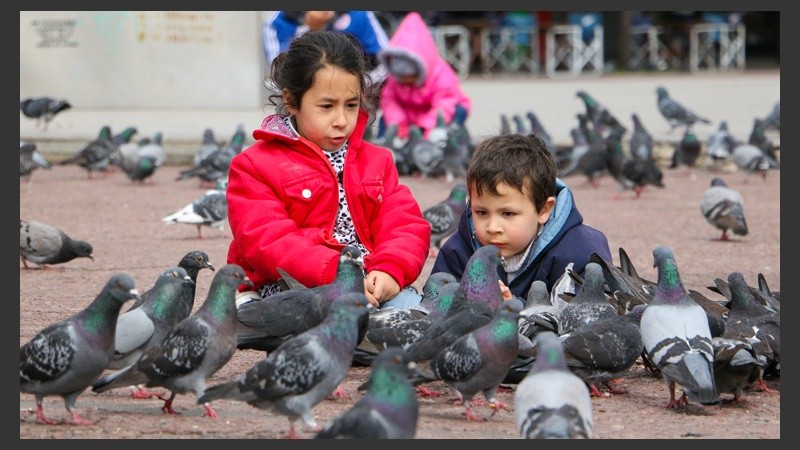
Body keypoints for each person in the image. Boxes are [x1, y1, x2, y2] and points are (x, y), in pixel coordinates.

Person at [226, 30, 430, 309]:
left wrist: (391, 270)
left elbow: (404, 225)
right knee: (333, 329)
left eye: (351, 105)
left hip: (369, 279)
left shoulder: (377, 161)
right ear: (291, 101)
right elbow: (269, 241)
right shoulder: (254, 166)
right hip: (292, 286)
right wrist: (340, 275)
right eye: (327, 106)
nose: (341, 120)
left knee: (416, 320)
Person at [431, 133, 612, 299]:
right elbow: (434, 305)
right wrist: (469, 305)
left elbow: (594, 316)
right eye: (481, 212)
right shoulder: (458, 250)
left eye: (508, 213)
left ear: (543, 210)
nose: (492, 227)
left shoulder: (580, 250)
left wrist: (515, 311)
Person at [377, 11, 472, 139]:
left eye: (412, 75)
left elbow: (444, 105)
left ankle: (449, 142)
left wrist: (427, 128)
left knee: (458, 112)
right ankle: (384, 144)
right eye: (402, 76)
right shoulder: (395, 79)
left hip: (438, 115)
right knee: (386, 119)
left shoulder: (441, 75)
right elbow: (389, 101)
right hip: (409, 117)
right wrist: (399, 124)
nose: (407, 80)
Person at [262, 11, 389, 86]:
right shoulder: (278, 21)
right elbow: (279, 70)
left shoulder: (358, 14)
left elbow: (385, 61)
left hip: (358, 92)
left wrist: (357, 87)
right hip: (302, 92)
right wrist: (310, 30)